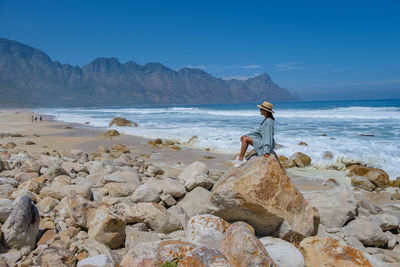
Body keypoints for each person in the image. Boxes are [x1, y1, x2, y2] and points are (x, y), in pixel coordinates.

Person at [233, 101, 275, 168]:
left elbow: (268, 136)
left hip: (264, 144)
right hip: (262, 141)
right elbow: (257, 131)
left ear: (266, 111)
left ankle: (240, 159)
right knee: (245, 138)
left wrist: (266, 151)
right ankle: (240, 158)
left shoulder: (269, 121)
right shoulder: (266, 120)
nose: (260, 111)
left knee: (245, 140)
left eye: (261, 109)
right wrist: (245, 135)